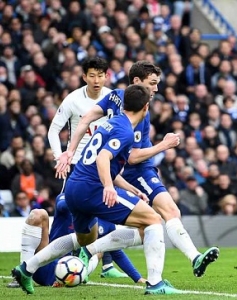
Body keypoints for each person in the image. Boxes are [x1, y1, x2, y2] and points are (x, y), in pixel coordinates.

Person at [12, 84, 182, 295]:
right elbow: (103, 158)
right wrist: (109, 187)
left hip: (74, 187)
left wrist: (130, 188)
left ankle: (26, 268)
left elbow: (102, 162)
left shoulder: (111, 123)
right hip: (93, 189)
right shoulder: (126, 131)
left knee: (85, 239)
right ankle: (155, 284)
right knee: (153, 220)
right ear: (146, 107)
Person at [55, 61, 219, 278]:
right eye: (152, 83)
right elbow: (132, 158)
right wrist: (163, 145)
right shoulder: (138, 111)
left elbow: (85, 119)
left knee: (161, 218)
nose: (156, 89)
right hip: (134, 172)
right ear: (137, 82)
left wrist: (70, 151)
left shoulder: (115, 96)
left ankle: (89, 252)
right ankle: (181, 264)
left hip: (119, 171)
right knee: (160, 217)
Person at [47, 56, 127, 279]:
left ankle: (107, 265)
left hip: (103, 164)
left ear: (106, 76)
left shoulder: (114, 99)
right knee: (71, 211)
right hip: (76, 166)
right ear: (84, 77)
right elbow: (53, 131)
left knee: (107, 208)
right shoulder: (73, 100)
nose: (96, 80)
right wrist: (59, 157)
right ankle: (62, 258)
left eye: (100, 75)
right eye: (92, 75)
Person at [10, 194, 145, 289]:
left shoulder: (107, 221)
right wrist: (84, 204)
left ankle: (82, 272)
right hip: (45, 265)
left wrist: (137, 278)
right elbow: (62, 205)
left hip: (73, 273)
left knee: (100, 249)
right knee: (38, 214)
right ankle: (21, 274)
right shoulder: (68, 198)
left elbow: (117, 252)